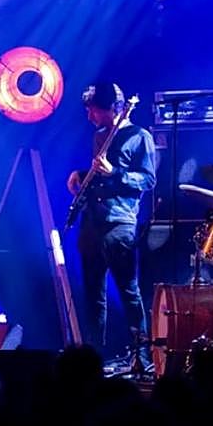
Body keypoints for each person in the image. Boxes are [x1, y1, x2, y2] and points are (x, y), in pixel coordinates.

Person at [66, 82, 156, 371]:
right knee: (93, 293)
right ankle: (93, 358)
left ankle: (141, 356)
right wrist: (81, 175)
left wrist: (115, 173)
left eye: (93, 110)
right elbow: (100, 175)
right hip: (92, 222)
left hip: (119, 223)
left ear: (111, 108)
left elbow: (147, 180)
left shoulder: (139, 137)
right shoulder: (100, 135)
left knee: (129, 291)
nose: (89, 116)